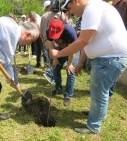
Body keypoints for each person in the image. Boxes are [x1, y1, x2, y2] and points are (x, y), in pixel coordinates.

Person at [50, 0, 127, 133]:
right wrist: (80, 63)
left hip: (109, 60)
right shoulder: (93, 8)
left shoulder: (93, 7)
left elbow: (83, 41)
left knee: (99, 93)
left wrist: (59, 53)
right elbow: (88, 43)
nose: (71, 12)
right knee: (98, 91)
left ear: (76, 1)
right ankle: (95, 114)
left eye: (70, 8)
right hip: (107, 59)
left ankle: (93, 126)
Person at [46, 18, 80, 106]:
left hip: (74, 50)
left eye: (56, 34)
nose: (54, 36)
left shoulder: (70, 33)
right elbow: (51, 45)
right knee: (55, 68)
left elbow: (72, 51)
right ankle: (58, 88)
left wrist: (69, 64)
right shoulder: (48, 30)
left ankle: (68, 95)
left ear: (63, 29)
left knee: (70, 71)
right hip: (61, 48)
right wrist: (55, 59)